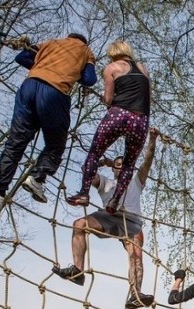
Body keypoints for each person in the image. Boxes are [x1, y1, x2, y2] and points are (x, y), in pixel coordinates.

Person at [51, 128, 159, 309]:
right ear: (113, 168)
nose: (120, 166)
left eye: (123, 164)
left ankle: (135, 294)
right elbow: (87, 170)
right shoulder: (105, 183)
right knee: (80, 224)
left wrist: (152, 139)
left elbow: (148, 159)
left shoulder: (136, 180)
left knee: (136, 255)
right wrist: (103, 162)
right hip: (108, 216)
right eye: (117, 164)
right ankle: (78, 270)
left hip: (131, 221)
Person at [0, 34, 97, 209]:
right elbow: (90, 79)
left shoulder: (51, 43)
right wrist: (69, 73)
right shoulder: (85, 51)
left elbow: (21, 57)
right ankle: (37, 178)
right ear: (84, 41)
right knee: (56, 144)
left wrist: (42, 68)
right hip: (54, 93)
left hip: (28, 87)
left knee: (15, 142)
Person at [65, 40, 151, 212]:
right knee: (129, 164)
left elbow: (109, 99)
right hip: (141, 120)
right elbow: (148, 96)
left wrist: (104, 100)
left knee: (95, 153)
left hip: (118, 114)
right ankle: (115, 201)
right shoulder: (142, 68)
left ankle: (84, 193)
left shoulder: (111, 68)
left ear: (113, 54)